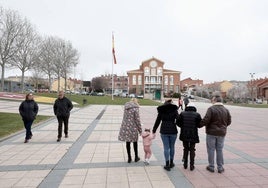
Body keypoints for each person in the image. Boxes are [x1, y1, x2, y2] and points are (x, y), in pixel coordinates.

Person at [200, 95, 231, 173]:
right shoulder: (226, 110)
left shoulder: (211, 109)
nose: (211, 101)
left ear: (215, 100)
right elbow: (229, 121)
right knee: (219, 149)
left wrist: (199, 125)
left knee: (211, 149)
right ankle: (220, 167)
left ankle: (211, 166)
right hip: (221, 133)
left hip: (211, 132)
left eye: (212, 100)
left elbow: (206, 120)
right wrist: (223, 127)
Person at [152, 98, 179, 171]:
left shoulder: (161, 110)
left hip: (164, 130)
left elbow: (157, 121)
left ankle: (167, 164)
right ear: (171, 102)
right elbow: (178, 119)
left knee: (166, 147)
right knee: (172, 147)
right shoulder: (174, 109)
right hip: (173, 130)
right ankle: (171, 163)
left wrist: (154, 130)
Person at [178, 103, 201, 171]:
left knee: (185, 148)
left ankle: (185, 164)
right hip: (193, 134)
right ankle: (192, 165)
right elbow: (199, 124)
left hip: (184, 133)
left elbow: (178, 122)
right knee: (192, 149)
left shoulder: (182, 113)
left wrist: (183, 126)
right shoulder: (197, 114)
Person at [118, 98, 142, 163]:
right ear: (136, 102)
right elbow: (137, 120)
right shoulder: (135, 108)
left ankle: (129, 158)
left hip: (126, 127)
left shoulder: (126, 108)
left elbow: (125, 118)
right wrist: (140, 130)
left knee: (127, 142)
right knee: (135, 142)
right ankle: (136, 157)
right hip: (133, 127)